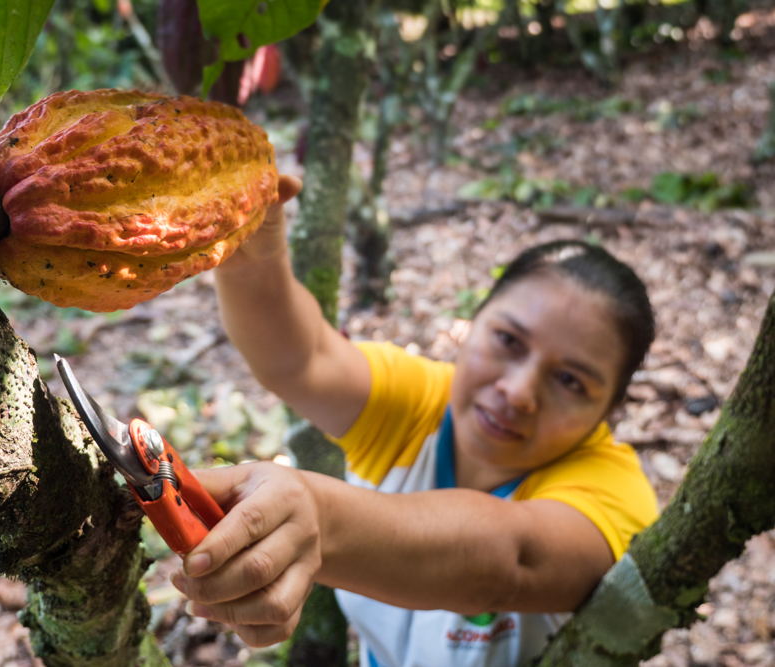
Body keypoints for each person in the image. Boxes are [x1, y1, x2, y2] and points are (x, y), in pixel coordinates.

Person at [169, 174, 660, 666]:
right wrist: (250, 258)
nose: (518, 392)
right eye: (508, 341)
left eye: (571, 381)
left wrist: (317, 519)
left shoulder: (617, 497)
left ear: (609, 411)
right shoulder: (423, 404)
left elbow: (506, 562)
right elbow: (300, 359)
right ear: (473, 325)